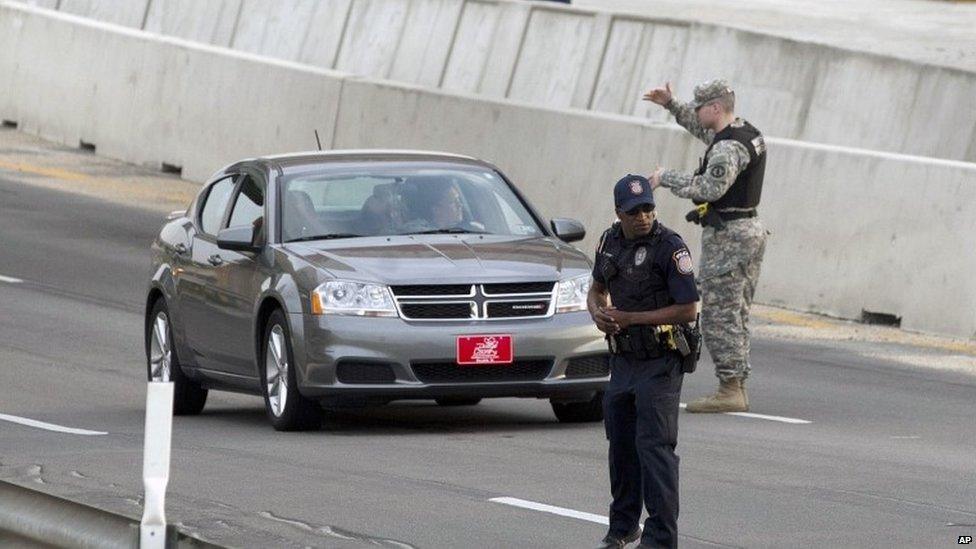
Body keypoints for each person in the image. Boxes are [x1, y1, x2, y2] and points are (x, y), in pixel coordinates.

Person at [643, 79, 767, 414]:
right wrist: (672, 104)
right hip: (748, 231)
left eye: (700, 107)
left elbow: (711, 188)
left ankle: (730, 388)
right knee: (737, 312)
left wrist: (665, 178)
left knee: (719, 315)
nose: (695, 113)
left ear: (715, 107)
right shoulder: (745, 133)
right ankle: (736, 382)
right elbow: (703, 130)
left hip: (730, 238)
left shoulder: (728, 148)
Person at [588, 174, 699, 549]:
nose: (643, 217)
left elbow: (688, 308)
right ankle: (622, 527)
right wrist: (596, 312)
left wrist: (632, 318)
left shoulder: (670, 247)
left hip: (660, 361)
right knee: (621, 446)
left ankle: (661, 539)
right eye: (634, 211)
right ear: (619, 212)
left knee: (655, 450)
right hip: (623, 361)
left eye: (648, 208)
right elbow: (596, 290)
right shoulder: (609, 242)